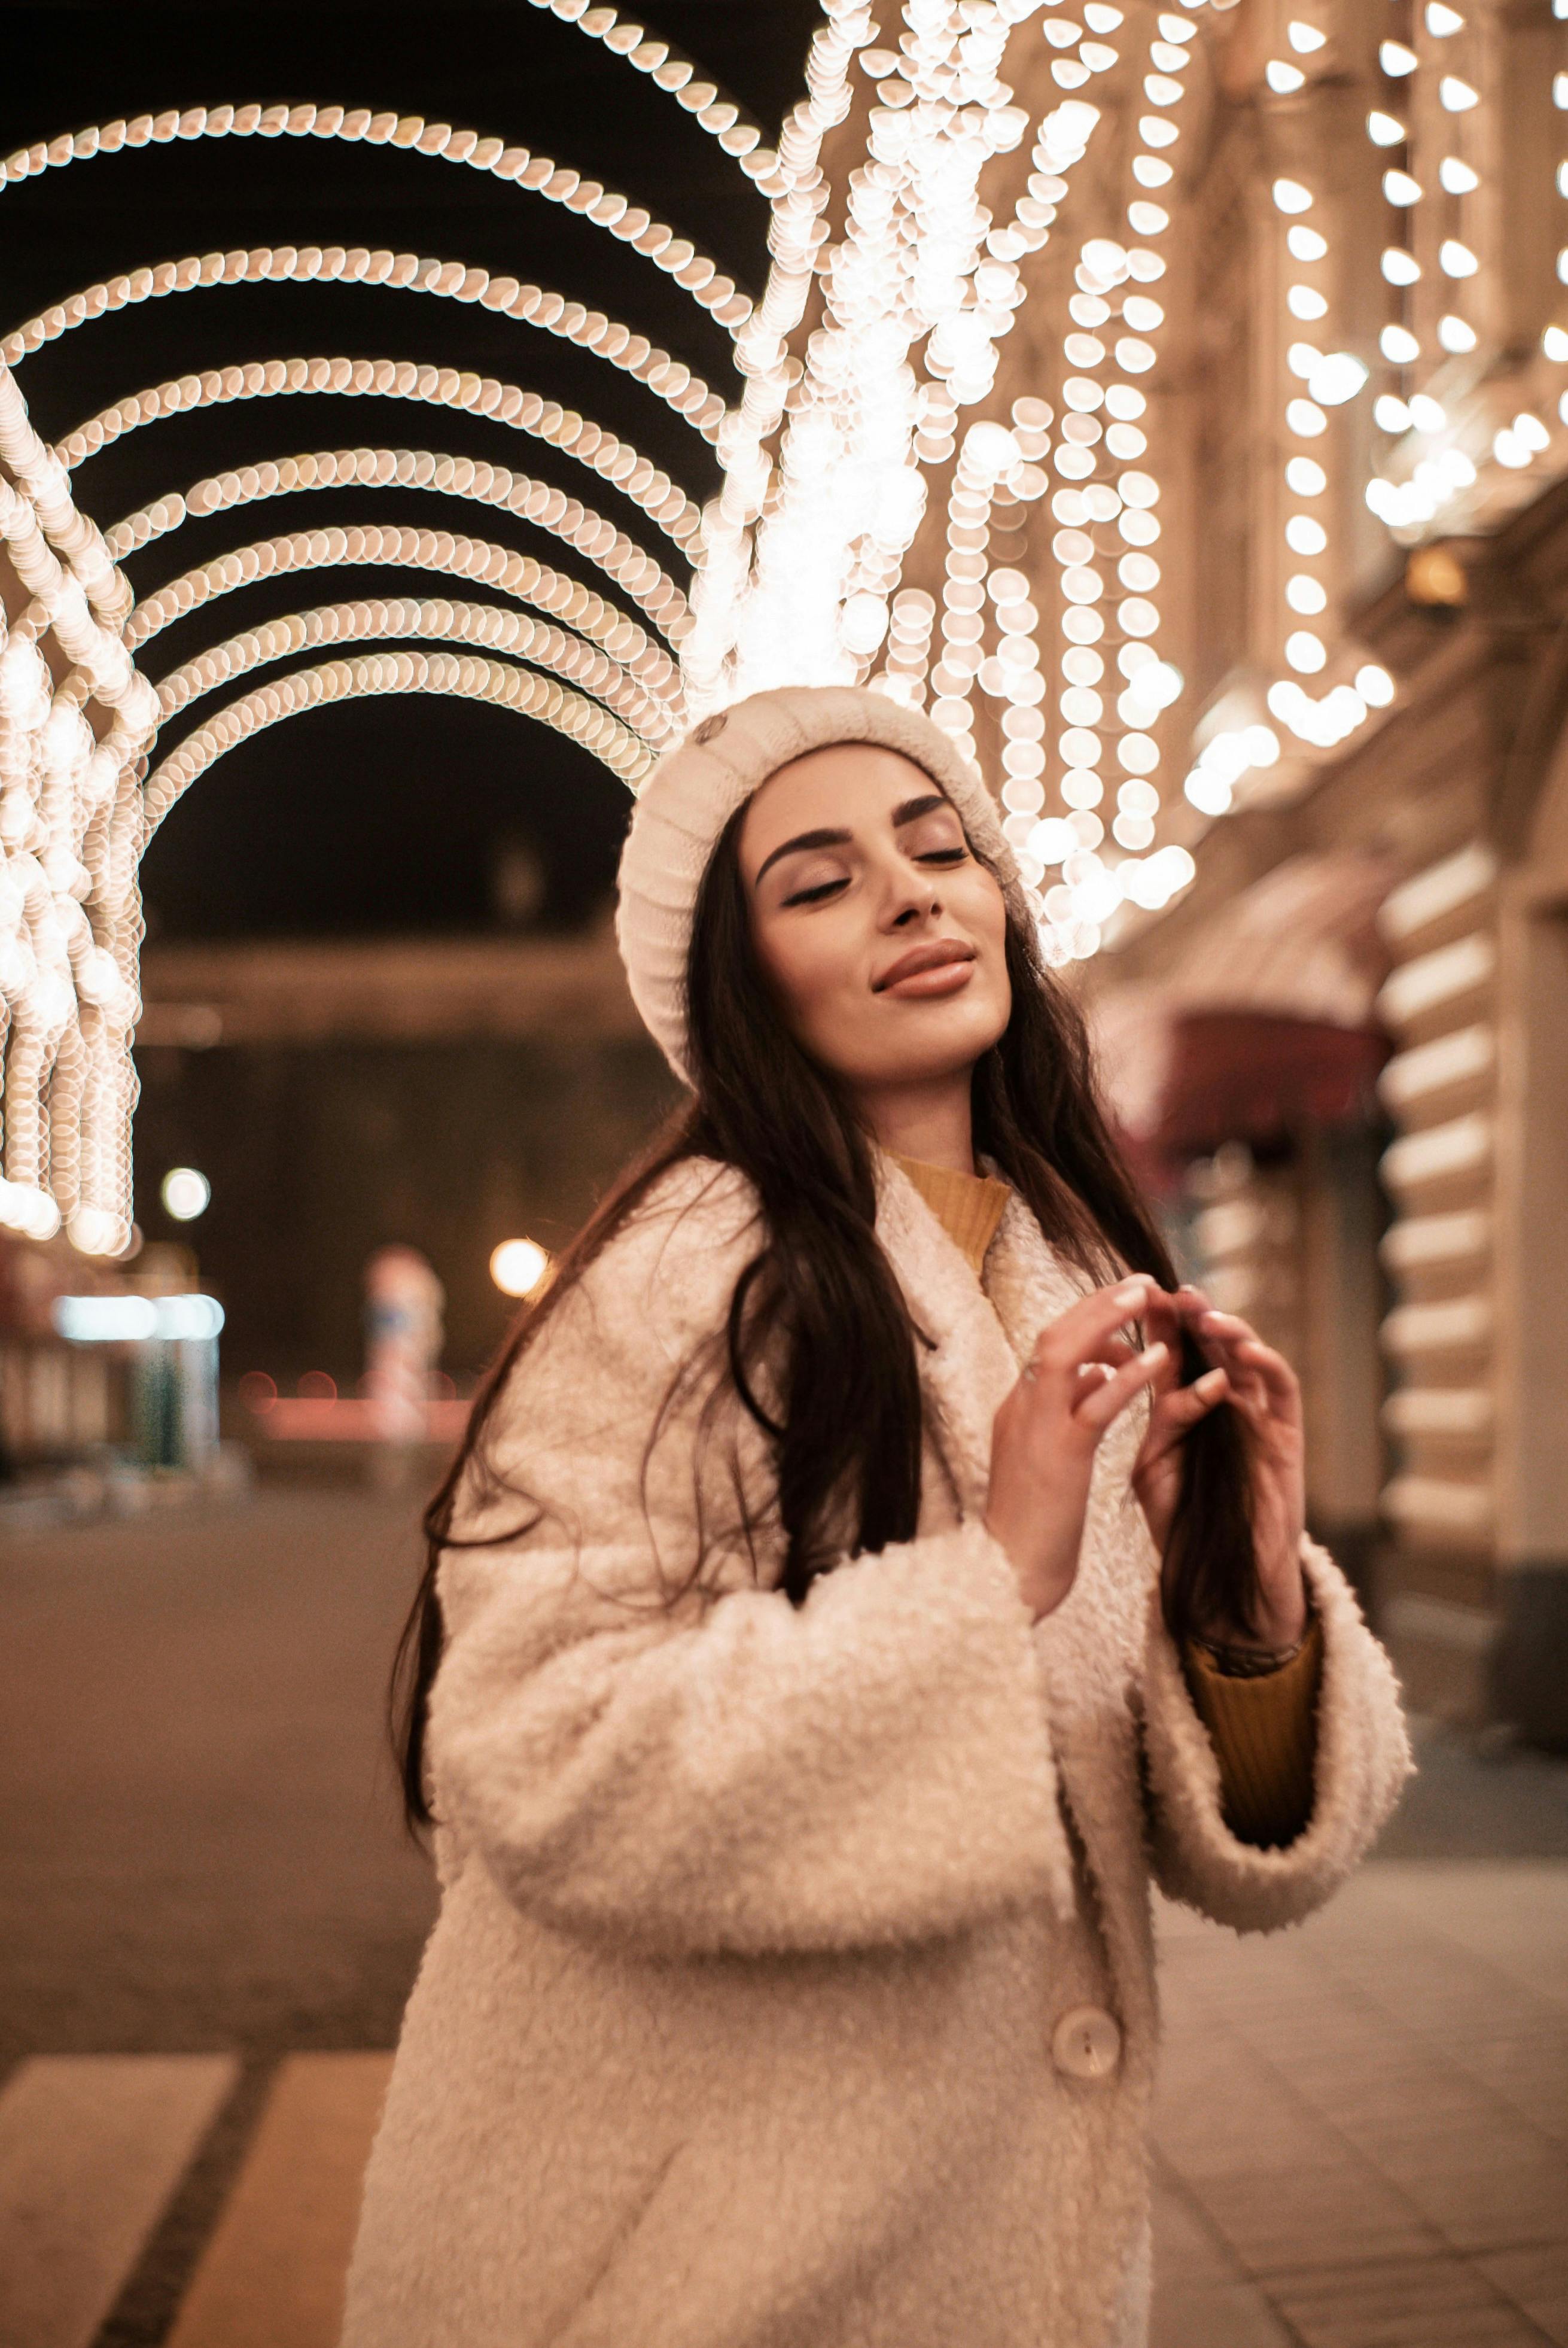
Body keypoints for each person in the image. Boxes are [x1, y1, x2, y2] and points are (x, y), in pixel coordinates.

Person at [342, 686, 1411, 2348]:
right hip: (701, 2272)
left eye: (940, 848)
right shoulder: (680, 1288)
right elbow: (537, 1748)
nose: (914, 894)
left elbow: (1205, 1834)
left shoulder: (1069, 1269)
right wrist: (995, 1578)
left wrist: (1251, 1602)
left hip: (985, 2260)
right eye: (821, 879)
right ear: (737, 978)